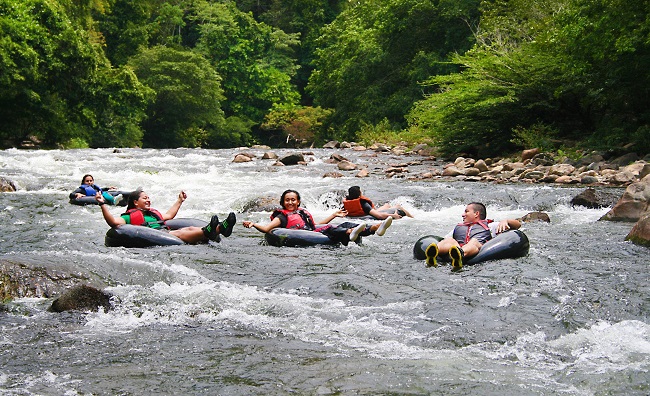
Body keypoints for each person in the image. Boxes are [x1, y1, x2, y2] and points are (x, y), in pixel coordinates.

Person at [242, 189, 392, 245]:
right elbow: (267, 229)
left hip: (312, 231)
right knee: (333, 229)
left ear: (298, 201)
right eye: (287, 200)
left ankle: (374, 228)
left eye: (293, 200)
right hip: (301, 235)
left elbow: (316, 224)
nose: (290, 202)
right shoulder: (281, 217)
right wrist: (254, 224)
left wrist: (333, 215)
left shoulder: (301, 212)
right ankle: (349, 233)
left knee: (345, 222)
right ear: (282, 202)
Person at [95, 188, 236, 244]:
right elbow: (113, 222)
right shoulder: (128, 217)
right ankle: (210, 231)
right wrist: (102, 205)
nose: (148, 200)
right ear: (135, 202)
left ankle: (221, 228)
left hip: (164, 232)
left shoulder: (153, 214)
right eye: (144, 198)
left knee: (190, 227)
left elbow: (169, 215)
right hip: (153, 235)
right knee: (182, 232)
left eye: (148, 197)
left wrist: (180, 200)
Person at [426, 202, 521, 270]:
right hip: (457, 247)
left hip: (476, 248)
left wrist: (506, 221)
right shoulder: (458, 228)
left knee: (474, 242)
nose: (463, 215)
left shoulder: (491, 226)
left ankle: (460, 254)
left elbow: (518, 225)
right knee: (449, 240)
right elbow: (444, 239)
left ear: (476, 214)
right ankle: (434, 252)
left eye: (466, 211)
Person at [343, 186, 413, 220]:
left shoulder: (347, 203)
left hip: (362, 215)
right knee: (398, 206)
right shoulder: (363, 203)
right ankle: (413, 219)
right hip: (368, 215)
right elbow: (379, 216)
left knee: (387, 205)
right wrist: (393, 215)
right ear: (359, 194)